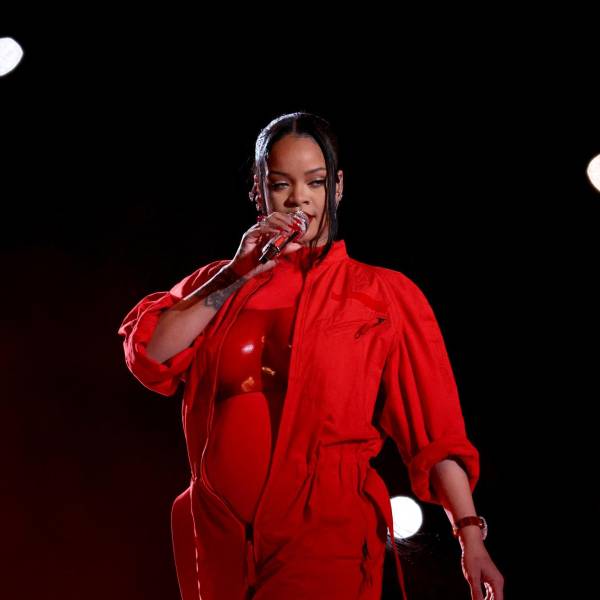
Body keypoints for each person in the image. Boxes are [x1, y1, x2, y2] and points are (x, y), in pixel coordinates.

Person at [117, 112, 504, 600]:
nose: (298, 198)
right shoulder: (219, 283)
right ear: (258, 191)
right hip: (219, 542)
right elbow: (149, 353)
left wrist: (470, 538)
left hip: (325, 534)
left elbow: (437, 435)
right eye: (281, 183)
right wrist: (235, 275)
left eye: (315, 182)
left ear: (337, 188)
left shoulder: (382, 294)